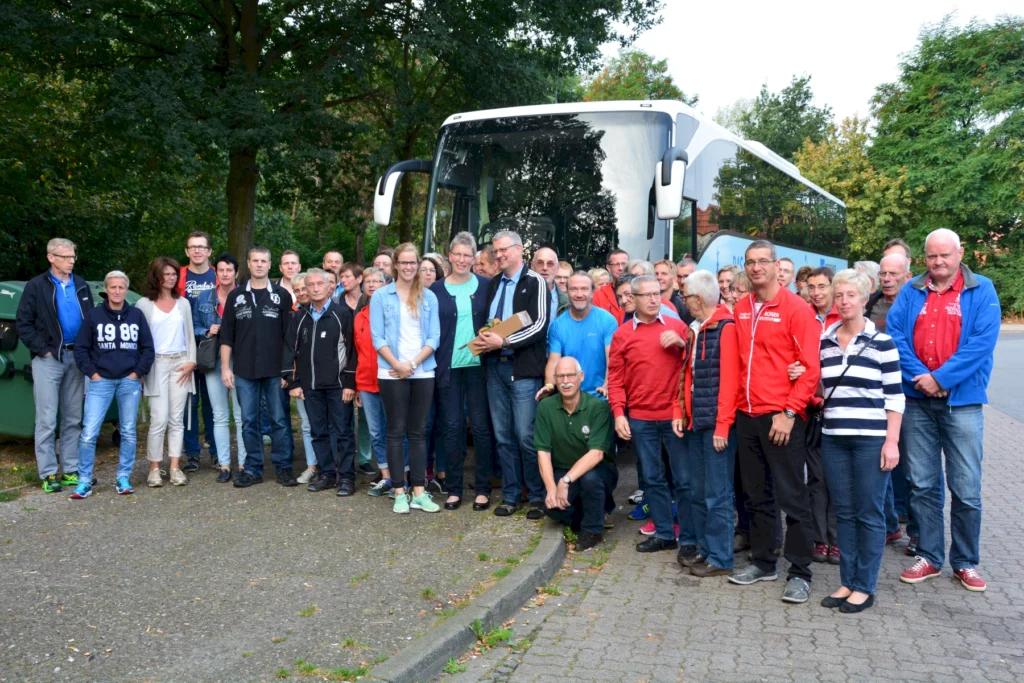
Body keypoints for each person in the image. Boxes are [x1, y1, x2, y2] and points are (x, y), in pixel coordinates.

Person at [889, 228, 999, 592]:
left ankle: (965, 562)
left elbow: (982, 342)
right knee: (922, 485)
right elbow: (896, 337)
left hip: (962, 403)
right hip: (918, 401)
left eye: (945, 256)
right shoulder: (911, 290)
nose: (938, 262)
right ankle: (931, 556)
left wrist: (942, 378)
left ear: (959, 253)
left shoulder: (981, 289)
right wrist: (922, 377)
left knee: (966, 488)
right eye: (932, 256)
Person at [728, 240, 821, 604]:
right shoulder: (741, 307)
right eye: (750, 262)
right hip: (747, 416)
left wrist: (788, 412)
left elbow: (810, 368)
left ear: (775, 266)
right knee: (757, 496)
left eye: (762, 261)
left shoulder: (796, 308)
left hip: (781, 417)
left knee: (793, 497)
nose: (755, 268)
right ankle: (764, 562)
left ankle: (800, 572)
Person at [815, 268, 904, 613]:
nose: (844, 301)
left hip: (871, 439)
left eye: (852, 295)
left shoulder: (882, 342)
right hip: (834, 438)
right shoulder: (825, 339)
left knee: (869, 512)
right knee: (845, 512)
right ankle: (847, 580)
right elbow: (824, 389)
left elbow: (895, 398)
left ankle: (865, 586)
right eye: (840, 295)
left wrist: (891, 442)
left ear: (865, 300)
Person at [470, 230, 551, 519]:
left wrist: (504, 341)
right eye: (496, 251)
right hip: (494, 368)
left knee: (526, 436)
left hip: (523, 371)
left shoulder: (536, 282)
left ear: (519, 250)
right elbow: (492, 324)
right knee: (503, 437)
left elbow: (539, 324)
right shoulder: (494, 284)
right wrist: (484, 339)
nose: (500, 255)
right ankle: (511, 495)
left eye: (504, 249)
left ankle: (538, 496)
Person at [608, 275, 690, 553]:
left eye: (657, 294)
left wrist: (683, 346)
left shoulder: (679, 327)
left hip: (674, 416)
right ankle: (665, 534)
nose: (655, 299)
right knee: (653, 479)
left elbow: (694, 369)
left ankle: (689, 537)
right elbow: (615, 378)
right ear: (633, 299)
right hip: (641, 418)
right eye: (648, 295)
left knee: (683, 478)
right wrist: (619, 413)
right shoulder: (622, 334)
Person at [15, 237, 93, 493]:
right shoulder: (36, 286)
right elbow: (23, 323)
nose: (71, 261)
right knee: (47, 419)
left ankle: (70, 470)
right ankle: (48, 473)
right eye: (66, 257)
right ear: (51, 257)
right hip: (50, 359)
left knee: (73, 417)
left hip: (77, 358)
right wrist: (43, 350)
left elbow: (90, 320)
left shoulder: (80, 284)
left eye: (73, 257)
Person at [70, 272, 155, 498]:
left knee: (128, 431)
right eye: (113, 287)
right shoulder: (93, 316)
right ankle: (85, 480)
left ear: (126, 290)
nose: (117, 291)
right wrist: (93, 374)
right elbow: (81, 349)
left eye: (121, 287)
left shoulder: (136, 315)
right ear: (106, 290)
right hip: (101, 381)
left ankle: (123, 477)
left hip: (129, 381)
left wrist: (137, 373)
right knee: (89, 432)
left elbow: (148, 348)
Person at [370, 243, 441, 513]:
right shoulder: (381, 296)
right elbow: (378, 337)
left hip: (422, 370)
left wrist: (411, 364)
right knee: (396, 431)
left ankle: (420, 492)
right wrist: (398, 365)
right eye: (404, 262)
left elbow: (434, 337)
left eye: (414, 263)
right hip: (390, 371)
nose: (409, 267)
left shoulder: (429, 297)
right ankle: (400, 492)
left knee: (419, 432)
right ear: (396, 265)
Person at [677, 270, 739, 576]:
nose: (683, 300)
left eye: (686, 295)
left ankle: (722, 557)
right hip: (698, 422)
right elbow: (686, 375)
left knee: (718, 494)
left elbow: (729, 382)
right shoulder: (696, 328)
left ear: (697, 298)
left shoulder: (726, 328)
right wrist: (682, 413)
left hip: (716, 425)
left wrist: (723, 425)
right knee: (701, 491)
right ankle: (705, 549)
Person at [220, 247, 296, 488]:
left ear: (270, 265)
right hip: (244, 371)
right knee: (249, 421)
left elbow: (289, 337)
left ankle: (283, 468)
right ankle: (253, 469)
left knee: (280, 420)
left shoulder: (282, 295)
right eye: (255, 260)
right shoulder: (236, 296)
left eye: (264, 261)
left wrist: (287, 371)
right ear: (248, 264)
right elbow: (226, 337)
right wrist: (225, 368)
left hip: (275, 372)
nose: (260, 265)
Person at [430, 232, 495, 511]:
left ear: (474, 257)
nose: (461, 259)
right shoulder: (435, 289)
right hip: (449, 368)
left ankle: (482, 488)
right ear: (449, 255)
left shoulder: (487, 285)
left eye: (467, 255)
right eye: (457, 254)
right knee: (452, 428)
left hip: (479, 368)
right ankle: (454, 489)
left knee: (481, 428)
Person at [284, 268, 359, 495]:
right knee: (318, 432)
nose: (315, 288)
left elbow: (353, 350)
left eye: (320, 284)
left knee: (344, 432)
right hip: (311, 386)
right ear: (305, 289)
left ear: (329, 286)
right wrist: (294, 382)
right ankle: (327, 474)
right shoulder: (299, 317)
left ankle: (346, 477)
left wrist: (349, 383)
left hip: (338, 386)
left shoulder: (343, 313)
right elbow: (289, 350)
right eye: (311, 285)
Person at [537, 357, 617, 552]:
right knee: (553, 509)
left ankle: (592, 530)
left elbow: (596, 454)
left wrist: (564, 482)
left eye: (571, 375)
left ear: (581, 377)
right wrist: (550, 488)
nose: (566, 381)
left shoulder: (597, 407)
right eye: (561, 376)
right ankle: (595, 509)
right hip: (563, 468)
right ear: (554, 379)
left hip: (597, 471)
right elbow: (543, 452)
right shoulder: (546, 407)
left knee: (590, 480)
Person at [137, 257, 197, 488]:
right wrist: (141, 368)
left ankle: (174, 467)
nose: (171, 278)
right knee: (158, 419)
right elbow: (139, 339)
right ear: (156, 276)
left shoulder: (183, 303)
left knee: (176, 419)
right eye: (166, 274)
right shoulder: (143, 304)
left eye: (174, 274)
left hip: (180, 363)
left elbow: (190, 335)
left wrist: (191, 362)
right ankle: (154, 468)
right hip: (155, 365)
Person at [194, 254, 249, 483]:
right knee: (219, 415)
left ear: (236, 273)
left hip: (242, 360)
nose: (225, 274)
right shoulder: (204, 297)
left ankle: (244, 464)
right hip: (214, 361)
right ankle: (224, 464)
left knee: (241, 414)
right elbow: (195, 325)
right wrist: (208, 331)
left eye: (229, 270)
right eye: (221, 270)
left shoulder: (246, 296)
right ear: (216, 273)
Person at [805, 266, 840, 564]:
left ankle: (837, 539)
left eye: (822, 286)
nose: (816, 292)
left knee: (838, 477)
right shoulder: (804, 316)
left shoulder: (844, 317)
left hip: (841, 409)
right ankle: (819, 539)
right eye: (811, 287)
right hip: (812, 408)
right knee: (816, 478)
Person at [538, 272, 618, 400]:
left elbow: (612, 359)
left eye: (584, 289)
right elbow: (554, 361)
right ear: (567, 292)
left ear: (593, 292)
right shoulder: (557, 325)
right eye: (574, 289)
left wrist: (607, 385)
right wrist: (549, 385)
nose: (579, 294)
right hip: (568, 397)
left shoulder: (607, 321)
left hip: (600, 396)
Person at [354, 268, 398, 496]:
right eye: (368, 281)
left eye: (377, 281)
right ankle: (386, 477)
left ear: (386, 283)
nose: (372, 284)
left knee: (395, 431)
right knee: (375, 433)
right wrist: (357, 385)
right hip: (366, 383)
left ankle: (402, 478)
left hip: (391, 380)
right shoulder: (359, 316)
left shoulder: (394, 311)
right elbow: (356, 353)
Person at [178, 231, 218, 472]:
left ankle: (215, 450)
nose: (197, 251)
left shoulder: (218, 275)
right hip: (185, 346)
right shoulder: (179, 276)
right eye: (192, 247)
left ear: (209, 251)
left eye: (201, 247)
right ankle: (192, 453)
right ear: (186, 251)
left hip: (211, 347)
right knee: (189, 403)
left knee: (212, 403)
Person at [865, 253, 910, 332]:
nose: (886, 279)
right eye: (883, 273)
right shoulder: (867, 303)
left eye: (893, 273)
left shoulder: (917, 306)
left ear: (907, 277)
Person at [592, 249, 629, 322]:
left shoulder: (638, 291)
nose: (621, 268)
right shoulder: (599, 295)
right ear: (608, 268)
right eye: (616, 264)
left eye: (624, 264)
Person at [532, 246, 568, 319]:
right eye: (540, 263)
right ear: (532, 266)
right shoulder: (519, 294)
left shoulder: (567, 302)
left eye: (550, 264)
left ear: (557, 268)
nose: (545, 268)